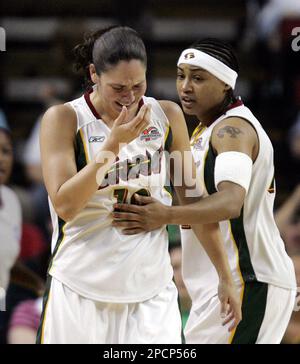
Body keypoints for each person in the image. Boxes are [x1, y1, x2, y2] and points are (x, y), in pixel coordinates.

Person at [36, 26, 241, 344]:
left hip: (151, 294)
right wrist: (112, 146)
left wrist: (225, 277)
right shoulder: (64, 119)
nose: (130, 97)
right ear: (94, 74)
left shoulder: (166, 115)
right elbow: (65, 204)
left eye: (138, 85)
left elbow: (193, 202)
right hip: (79, 289)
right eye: (118, 87)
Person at [113, 38, 297, 344]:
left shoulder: (232, 130)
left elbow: (230, 202)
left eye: (198, 78)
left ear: (225, 84)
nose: (185, 86)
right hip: (225, 280)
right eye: (181, 75)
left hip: (250, 278)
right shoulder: (204, 131)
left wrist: (165, 215)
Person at [0, 123, 45, 344]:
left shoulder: (13, 201)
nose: (1, 158)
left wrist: (39, 285)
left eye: (6, 151)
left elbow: (7, 263)